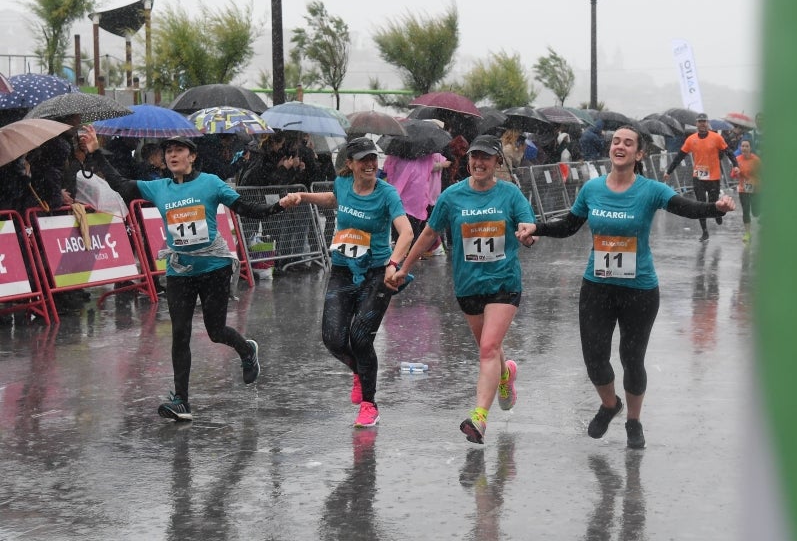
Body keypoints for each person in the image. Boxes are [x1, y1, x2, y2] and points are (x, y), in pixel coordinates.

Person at [516, 125, 735, 449]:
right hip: (597, 287)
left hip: (640, 291)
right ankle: (609, 404)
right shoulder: (591, 189)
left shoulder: (651, 190)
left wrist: (715, 207)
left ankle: (634, 420)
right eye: (616, 141)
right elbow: (569, 226)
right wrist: (538, 227)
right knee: (595, 359)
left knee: (632, 359)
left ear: (639, 153)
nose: (620, 146)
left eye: (628, 143)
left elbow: (685, 207)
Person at [82, 129, 298, 422]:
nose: (172, 155)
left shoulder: (211, 184)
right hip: (180, 270)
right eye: (168, 151)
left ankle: (246, 349)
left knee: (215, 331)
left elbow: (245, 208)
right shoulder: (159, 188)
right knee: (180, 334)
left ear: (192, 156)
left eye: (179, 150)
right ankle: (181, 401)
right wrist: (95, 153)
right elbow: (120, 185)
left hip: (214, 268)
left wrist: (277, 207)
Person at [391, 134, 536, 444]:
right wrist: (404, 267)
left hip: (503, 283)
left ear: (497, 161)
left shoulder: (510, 194)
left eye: (485, 157)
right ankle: (506, 375)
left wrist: (526, 232)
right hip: (469, 285)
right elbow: (429, 233)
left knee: (487, 348)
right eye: (474, 156)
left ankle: (479, 418)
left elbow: (527, 222)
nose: (478, 162)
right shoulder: (452, 196)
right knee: (489, 348)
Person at [282, 137, 413, 428]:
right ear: (350, 164)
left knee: (360, 336)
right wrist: (303, 197)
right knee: (333, 338)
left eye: (373, 159)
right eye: (363, 160)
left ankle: (369, 404)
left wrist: (394, 264)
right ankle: (359, 370)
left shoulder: (386, 193)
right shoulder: (343, 184)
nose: (370, 165)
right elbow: (333, 198)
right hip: (342, 269)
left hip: (377, 273)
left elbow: (406, 232)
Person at [663, 113, 739, 241]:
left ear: (707, 123)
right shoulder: (691, 139)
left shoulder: (716, 138)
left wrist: (735, 165)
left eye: (704, 121)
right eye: (700, 121)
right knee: (700, 205)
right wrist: (668, 171)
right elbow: (679, 156)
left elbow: (729, 152)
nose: (702, 124)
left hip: (713, 177)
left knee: (712, 201)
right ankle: (704, 232)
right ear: (696, 124)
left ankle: (717, 214)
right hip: (698, 177)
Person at [732, 138, 761, 243]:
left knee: (755, 212)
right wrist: (736, 172)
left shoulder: (756, 160)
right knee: (745, 211)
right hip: (743, 188)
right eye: (742, 146)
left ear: (750, 148)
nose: (744, 148)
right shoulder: (737, 159)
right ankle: (747, 233)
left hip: (755, 189)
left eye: (746, 146)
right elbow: (733, 175)